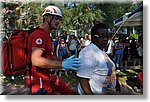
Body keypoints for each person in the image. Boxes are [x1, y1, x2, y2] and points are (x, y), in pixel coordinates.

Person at [24, 5, 81, 95]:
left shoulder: (45, 34)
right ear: (47, 18)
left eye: (59, 19)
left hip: (44, 76)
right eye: (56, 18)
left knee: (68, 92)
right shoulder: (40, 35)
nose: (58, 22)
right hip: (38, 79)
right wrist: (62, 64)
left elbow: (47, 56)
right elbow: (35, 60)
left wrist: (63, 59)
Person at [77, 23, 116, 95]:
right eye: (101, 36)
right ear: (94, 37)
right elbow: (83, 79)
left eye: (107, 36)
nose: (105, 39)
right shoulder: (88, 52)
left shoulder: (101, 51)